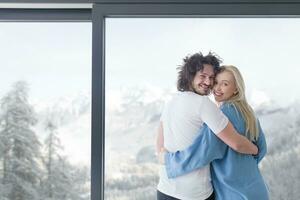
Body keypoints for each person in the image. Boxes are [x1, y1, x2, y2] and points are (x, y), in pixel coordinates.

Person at [156, 53, 258, 200]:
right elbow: (236, 143)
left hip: (164, 189)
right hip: (194, 194)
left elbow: (159, 145)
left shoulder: (170, 102)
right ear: (190, 76)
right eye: (203, 76)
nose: (208, 82)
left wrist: (165, 160)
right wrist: (255, 150)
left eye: (211, 78)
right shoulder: (203, 104)